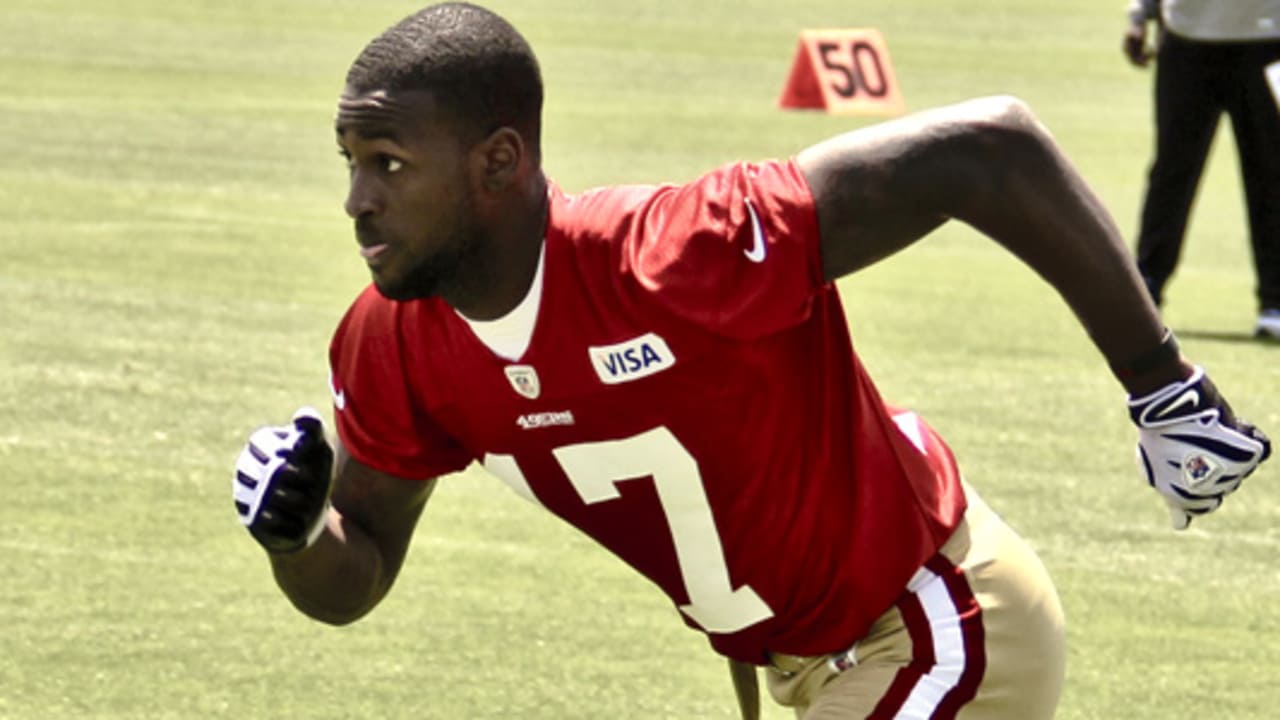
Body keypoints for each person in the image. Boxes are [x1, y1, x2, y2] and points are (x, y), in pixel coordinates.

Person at [232, 4, 1272, 718]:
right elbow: (350, 572)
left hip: (933, 618)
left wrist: (1161, 385)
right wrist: (291, 534)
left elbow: (986, 149)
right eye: (352, 165)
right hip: (811, 668)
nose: (356, 201)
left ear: (498, 163)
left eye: (389, 164)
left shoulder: (671, 253)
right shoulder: (393, 339)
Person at [1123, 0, 1280, 339]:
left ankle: (1275, 301)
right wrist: (1139, 14)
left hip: (1271, 40)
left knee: (1272, 174)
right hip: (1187, 38)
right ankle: (1145, 292)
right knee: (1172, 173)